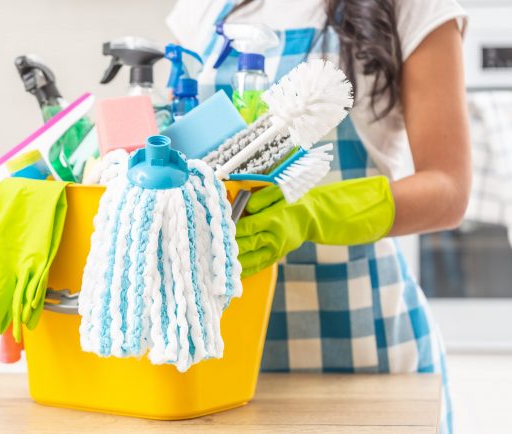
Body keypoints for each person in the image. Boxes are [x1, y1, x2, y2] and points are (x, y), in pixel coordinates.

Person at [167, 1, 470, 432]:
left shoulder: (411, 7)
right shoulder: (206, 10)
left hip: (364, 348)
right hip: (226, 353)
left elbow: (449, 189)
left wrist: (310, 214)